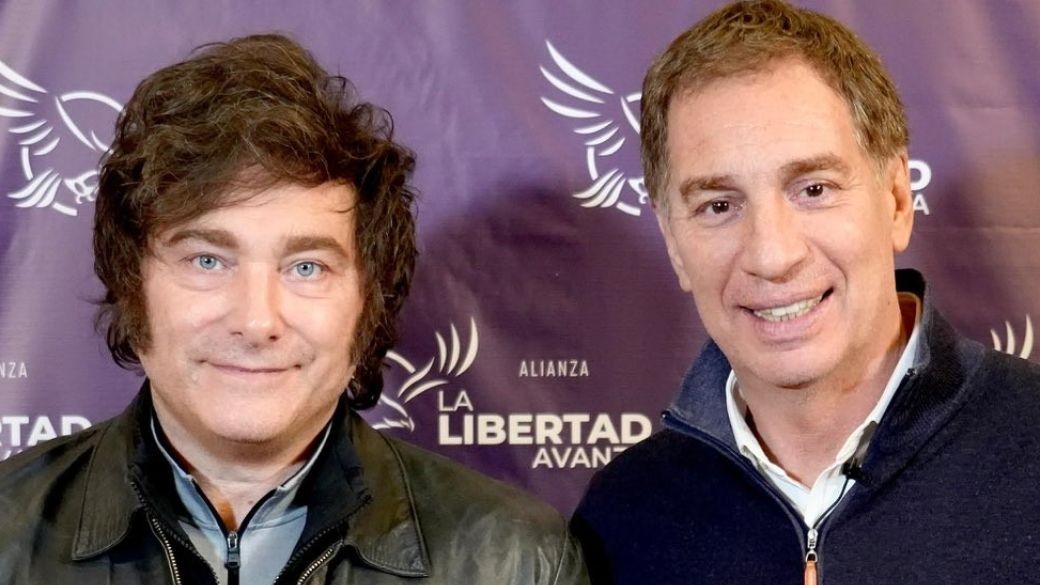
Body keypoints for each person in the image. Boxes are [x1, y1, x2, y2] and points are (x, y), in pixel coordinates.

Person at [0, 34, 588, 585]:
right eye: (208, 260)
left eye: (306, 267)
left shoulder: (516, 561)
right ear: (133, 283)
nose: (257, 322)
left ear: (368, 303)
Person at [571, 1, 1040, 583]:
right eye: (719, 206)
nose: (772, 255)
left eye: (813, 189)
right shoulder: (622, 519)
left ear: (897, 200)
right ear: (674, 244)